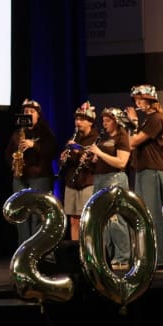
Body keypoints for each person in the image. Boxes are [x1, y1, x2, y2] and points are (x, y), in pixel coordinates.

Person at [128, 84, 163, 271]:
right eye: (136, 99)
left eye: (140, 99)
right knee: (145, 215)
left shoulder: (155, 119)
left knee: (153, 216)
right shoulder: (149, 120)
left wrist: (133, 122)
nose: (137, 103)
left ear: (150, 100)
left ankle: (160, 261)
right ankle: (150, 258)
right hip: (144, 169)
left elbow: (134, 141)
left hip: (152, 170)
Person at [3, 98, 58, 244]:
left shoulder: (45, 130)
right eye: (26, 111)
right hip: (20, 178)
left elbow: (52, 150)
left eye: (31, 111)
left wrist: (34, 144)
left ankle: (36, 247)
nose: (28, 114)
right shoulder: (18, 133)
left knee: (37, 214)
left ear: (38, 115)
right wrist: (14, 162)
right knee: (20, 213)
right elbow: (8, 153)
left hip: (40, 177)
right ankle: (23, 247)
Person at [87, 107, 132, 268]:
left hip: (115, 178)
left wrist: (100, 153)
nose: (104, 124)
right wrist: (93, 158)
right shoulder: (104, 138)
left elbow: (121, 162)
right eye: (103, 121)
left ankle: (123, 257)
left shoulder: (122, 137)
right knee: (102, 220)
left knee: (115, 219)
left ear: (116, 121)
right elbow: (100, 160)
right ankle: (107, 256)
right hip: (100, 179)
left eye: (108, 121)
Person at [58, 101, 99, 241]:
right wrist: (64, 158)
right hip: (71, 182)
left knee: (86, 220)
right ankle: (75, 251)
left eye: (82, 119)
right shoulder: (75, 137)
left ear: (90, 122)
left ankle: (86, 250)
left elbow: (95, 163)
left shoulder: (96, 138)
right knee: (73, 220)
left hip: (87, 182)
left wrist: (79, 150)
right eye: (77, 119)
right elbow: (70, 161)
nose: (78, 122)